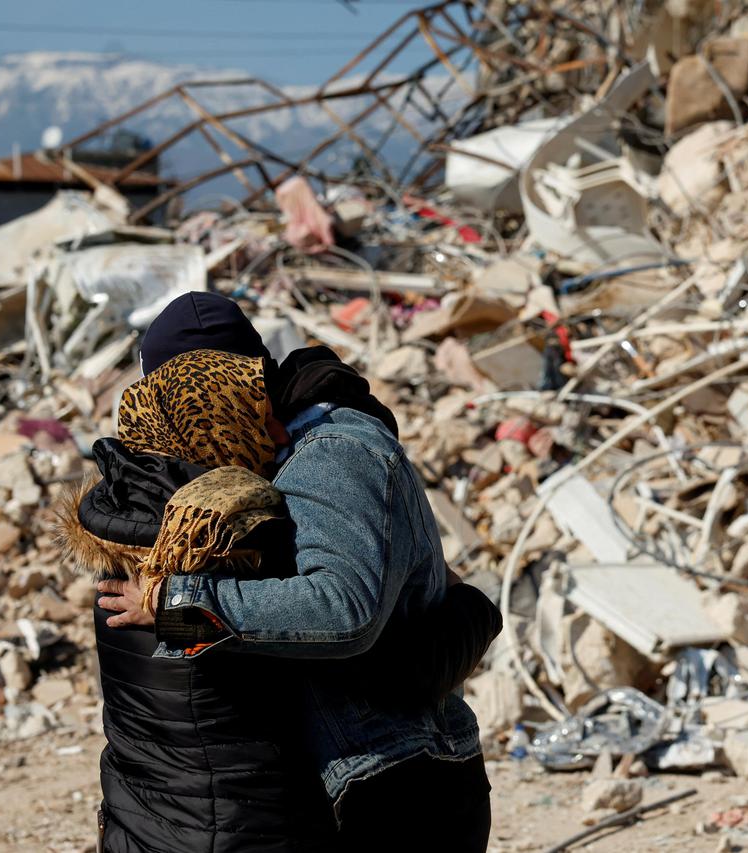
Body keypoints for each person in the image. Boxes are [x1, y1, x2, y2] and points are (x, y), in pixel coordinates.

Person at [98, 293, 499, 851]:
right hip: (365, 781)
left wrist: (175, 608)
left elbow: (343, 613)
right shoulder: (294, 456)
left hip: (397, 783)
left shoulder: (333, 450)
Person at [58, 349, 336, 851]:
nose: (277, 436)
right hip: (237, 829)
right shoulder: (217, 541)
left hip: (141, 818)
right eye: (256, 417)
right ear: (212, 423)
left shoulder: (122, 526)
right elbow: (216, 633)